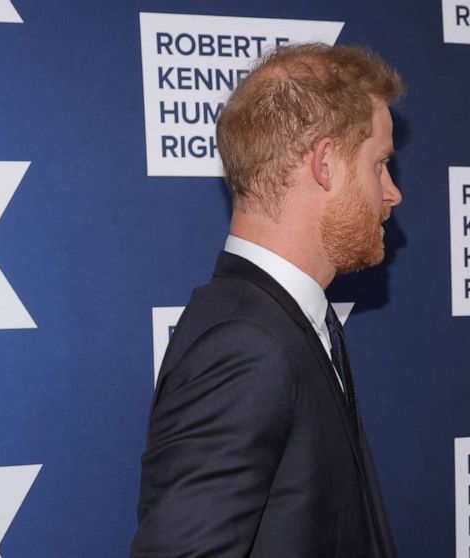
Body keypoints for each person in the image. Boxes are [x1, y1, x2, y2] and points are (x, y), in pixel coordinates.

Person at [132, 43, 403, 557]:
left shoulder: (287, 319)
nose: (391, 192)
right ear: (326, 164)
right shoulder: (246, 343)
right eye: (380, 164)